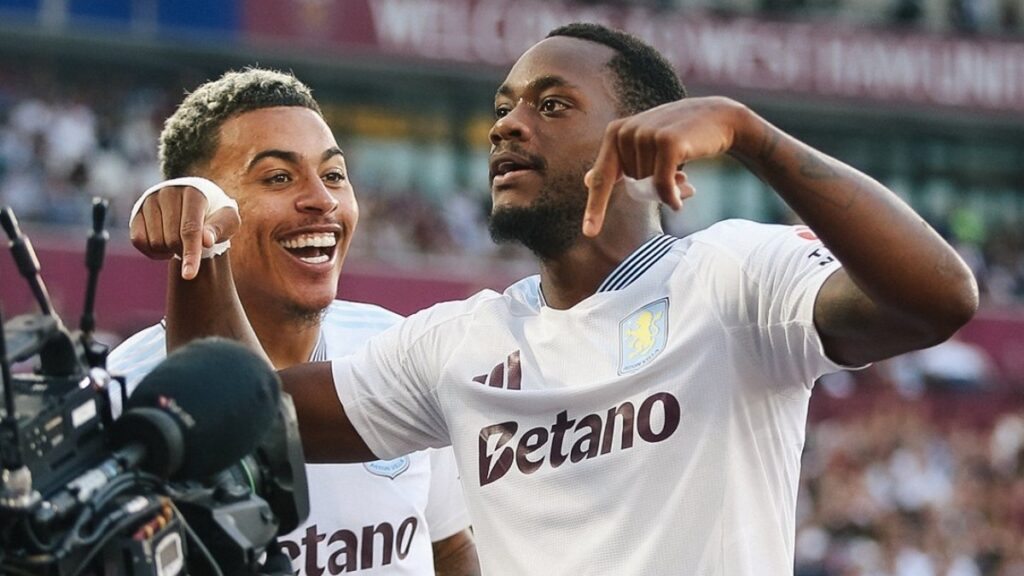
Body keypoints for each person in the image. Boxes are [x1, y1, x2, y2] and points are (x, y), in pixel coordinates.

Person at [130, 25, 979, 575]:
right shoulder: (458, 343)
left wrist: (748, 132)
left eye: (551, 104)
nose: (506, 125)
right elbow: (239, 420)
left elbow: (938, 297)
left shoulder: (731, 278)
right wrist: (200, 241)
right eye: (501, 110)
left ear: (649, 136)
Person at [109, 68, 479, 576]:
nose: (322, 200)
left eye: (333, 175)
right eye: (278, 177)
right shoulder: (127, 392)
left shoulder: (395, 349)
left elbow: (450, 546)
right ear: (194, 208)